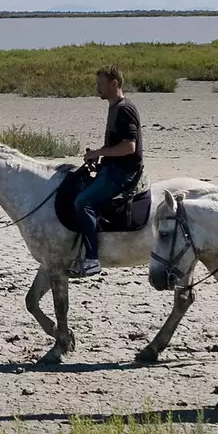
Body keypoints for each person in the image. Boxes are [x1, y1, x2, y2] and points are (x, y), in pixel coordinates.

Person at [72, 65, 144, 277]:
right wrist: (99, 157)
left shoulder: (124, 109)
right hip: (113, 167)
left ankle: (92, 258)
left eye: (101, 85)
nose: (97, 89)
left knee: (82, 202)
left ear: (115, 84)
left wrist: (99, 152)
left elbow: (129, 147)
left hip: (124, 173)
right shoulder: (114, 107)